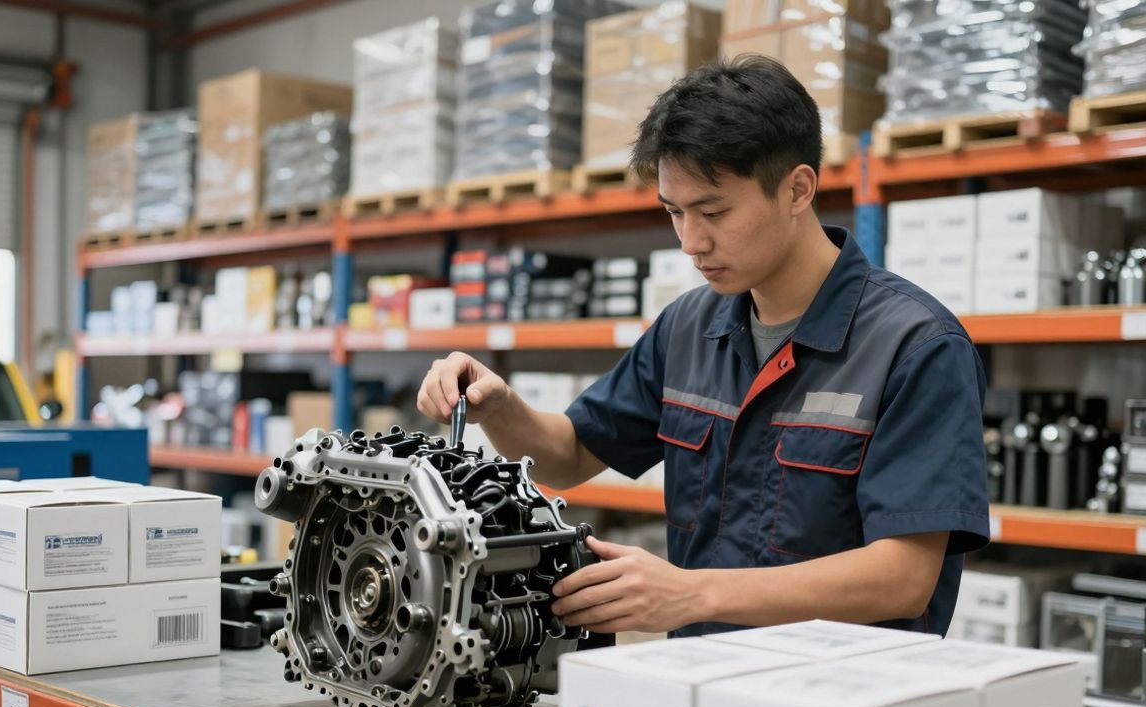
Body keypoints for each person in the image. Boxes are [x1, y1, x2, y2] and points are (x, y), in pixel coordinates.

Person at [417, 55, 989, 638]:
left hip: (845, 702)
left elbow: (903, 577)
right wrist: (498, 405)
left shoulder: (916, 345)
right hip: (699, 685)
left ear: (797, 189)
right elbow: (568, 457)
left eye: (713, 211)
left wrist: (690, 591)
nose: (691, 241)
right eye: (674, 212)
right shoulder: (690, 326)